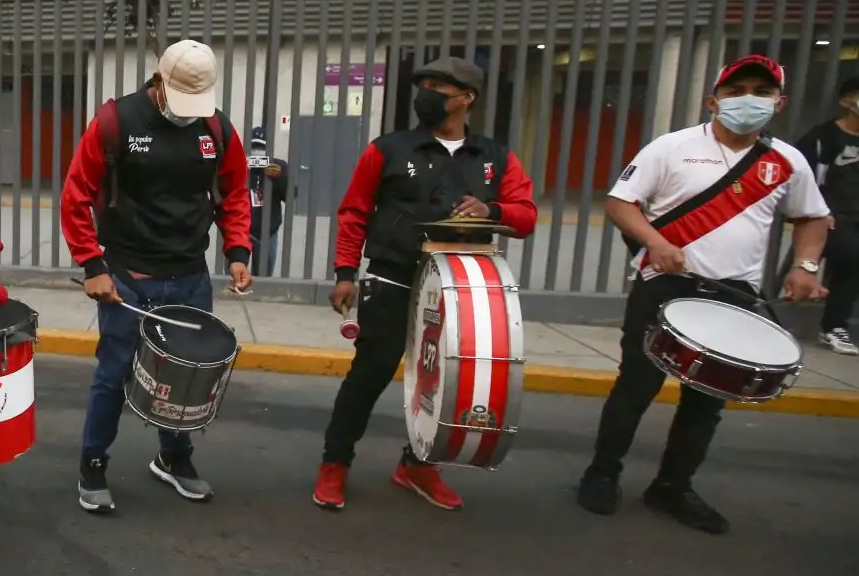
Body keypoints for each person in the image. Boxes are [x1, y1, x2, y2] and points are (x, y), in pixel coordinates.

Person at [577, 54, 830, 533]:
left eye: (760, 91)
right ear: (712, 101)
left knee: (707, 398)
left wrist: (804, 265)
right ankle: (602, 471)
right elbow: (620, 202)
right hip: (663, 284)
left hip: (734, 293)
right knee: (637, 385)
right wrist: (655, 241)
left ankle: (672, 486)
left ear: (780, 102)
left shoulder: (786, 161)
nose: (747, 101)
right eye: (735, 92)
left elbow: (813, 217)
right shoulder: (671, 148)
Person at [314, 56, 536, 513]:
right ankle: (335, 463)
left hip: (458, 286)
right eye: (425, 85)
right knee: (369, 375)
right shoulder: (389, 149)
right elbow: (354, 211)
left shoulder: (495, 157)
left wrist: (493, 212)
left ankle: (418, 464)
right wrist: (344, 274)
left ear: (466, 98)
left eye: (439, 86)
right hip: (393, 276)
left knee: (446, 381)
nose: (427, 94)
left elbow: (526, 214)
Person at [61, 38, 253, 513]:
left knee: (185, 378)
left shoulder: (215, 128)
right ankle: (93, 463)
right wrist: (93, 264)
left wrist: (238, 251)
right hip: (128, 275)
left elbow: (234, 193)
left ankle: (174, 457)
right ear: (159, 81)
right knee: (115, 373)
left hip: (190, 273)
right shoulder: (114, 123)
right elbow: (76, 195)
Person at [795, 74, 859, 355]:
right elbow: (800, 176)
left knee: (852, 266)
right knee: (846, 255)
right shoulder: (822, 137)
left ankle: (833, 327)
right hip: (826, 215)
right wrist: (818, 212)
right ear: (847, 101)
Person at [245, 126, 290, 277]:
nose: (258, 151)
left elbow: (291, 195)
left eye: (261, 147)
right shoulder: (241, 164)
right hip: (242, 229)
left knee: (264, 276)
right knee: (236, 275)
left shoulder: (279, 166)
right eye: (254, 146)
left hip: (268, 230)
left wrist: (280, 177)